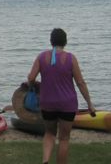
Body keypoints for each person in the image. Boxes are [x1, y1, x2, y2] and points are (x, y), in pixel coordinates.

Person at [27, 28, 95, 164]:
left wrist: (35, 84)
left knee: (49, 133)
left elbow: (31, 78)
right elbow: (80, 83)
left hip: (48, 104)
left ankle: (45, 160)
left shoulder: (41, 57)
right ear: (65, 41)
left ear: (51, 41)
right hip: (67, 104)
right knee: (64, 138)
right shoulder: (71, 58)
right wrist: (89, 103)